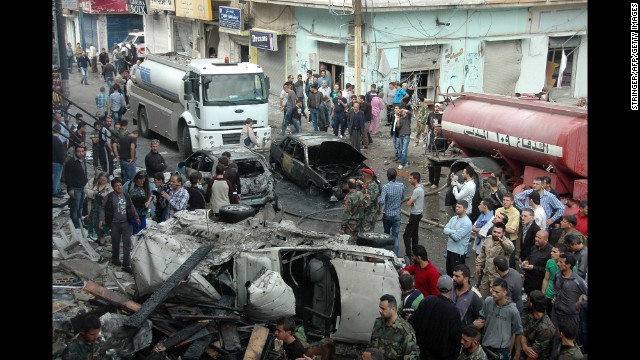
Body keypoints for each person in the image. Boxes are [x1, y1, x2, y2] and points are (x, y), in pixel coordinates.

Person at [409, 275, 462, 360]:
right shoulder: (453, 311)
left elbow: (413, 320)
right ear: (451, 289)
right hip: (442, 355)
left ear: (437, 286)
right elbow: (456, 336)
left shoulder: (428, 300)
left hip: (423, 352)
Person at [473, 278, 523, 360]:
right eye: (492, 290)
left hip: (501, 352)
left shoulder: (513, 311)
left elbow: (518, 332)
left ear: (505, 293)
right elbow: (481, 319)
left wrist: (517, 354)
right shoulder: (488, 302)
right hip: (485, 347)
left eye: (497, 292)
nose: (493, 294)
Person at [99, 177, 140, 273]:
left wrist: (136, 217)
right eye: (116, 186)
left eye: (120, 185)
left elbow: (132, 206)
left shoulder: (126, 195)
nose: (119, 187)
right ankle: (115, 259)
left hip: (126, 223)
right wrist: (101, 219)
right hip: (114, 224)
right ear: (113, 187)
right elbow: (102, 207)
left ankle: (126, 264)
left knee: (127, 244)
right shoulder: (109, 197)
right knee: (115, 242)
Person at [550, 253, 587, 358]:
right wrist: (555, 296)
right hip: (556, 313)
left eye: (561, 262)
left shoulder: (578, 281)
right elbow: (554, 285)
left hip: (570, 317)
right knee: (555, 338)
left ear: (568, 265)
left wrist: (581, 301)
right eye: (558, 261)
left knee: (570, 341)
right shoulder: (557, 275)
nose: (558, 264)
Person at [368, 294, 420, 360]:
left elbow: (411, 357)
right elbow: (371, 347)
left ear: (393, 309)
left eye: (383, 308)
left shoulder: (406, 331)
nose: (380, 311)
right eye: (380, 308)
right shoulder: (378, 323)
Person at [475, 222, 514, 298]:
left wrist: (503, 244)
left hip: (497, 278)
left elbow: (510, 249)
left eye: (499, 233)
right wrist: (478, 265)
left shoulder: (507, 243)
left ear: (503, 233)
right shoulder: (488, 239)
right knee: (483, 297)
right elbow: (482, 254)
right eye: (494, 231)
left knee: (495, 299)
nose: (496, 234)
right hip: (486, 275)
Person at [516, 290, 555, 360]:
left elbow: (533, 355)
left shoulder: (545, 329)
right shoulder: (532, 316)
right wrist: (525, 347)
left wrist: (524, 347)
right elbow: (523, 334)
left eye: (529, 299)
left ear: (531, 304)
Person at [379, 168, 405, 256]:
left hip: (387, 214)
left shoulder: (385, 187)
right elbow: (402, 197)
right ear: (396, 176)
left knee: (386, 235)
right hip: (397, 214)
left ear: (387, 176)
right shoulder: (401, 185)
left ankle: (386, 254)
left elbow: (382, 201)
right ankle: (395, 256)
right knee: (395, 237)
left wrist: (381, 207)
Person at [443, 200, 473, 276]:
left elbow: (456, 237)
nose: (457, 208)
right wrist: (454, 231)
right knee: (449, 272)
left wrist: (449, 231)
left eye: (459, 207)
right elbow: (444, 229)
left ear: (465, 209)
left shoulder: (467, 222)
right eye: (456, 206)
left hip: (458, 253)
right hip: (450, 250)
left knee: (457, 275)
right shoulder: (454, 218)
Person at [84, 171, 113, 245]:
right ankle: (95, 237)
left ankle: (102, 239)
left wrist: (103, 196)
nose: (102, 181)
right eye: (101, 179)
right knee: (93, 222)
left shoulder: (109, 186)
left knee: (102, 223)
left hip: (103, 208)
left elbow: (111, 196)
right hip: (93, 207)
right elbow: (86, 189)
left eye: (104, 180)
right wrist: (93, 193)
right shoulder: (93, 182)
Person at [64, 146, 89, 229]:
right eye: (79, 151)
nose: (81, 153)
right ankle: (76, 225)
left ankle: (79, 223)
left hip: (83, 187)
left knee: (80, 207)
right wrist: (70, 189)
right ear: (75, 152)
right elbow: (68, 177)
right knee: (75, 208)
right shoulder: (70, 162)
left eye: (82, 151)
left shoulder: (83, 161)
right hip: (75, 188)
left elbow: (84, 173)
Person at [521, 230, 552, 296]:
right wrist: (526, 261)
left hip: (539, 283)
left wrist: (534, 268)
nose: (536, 239)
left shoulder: (551, 252)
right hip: (528, 280)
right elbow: (529, 256)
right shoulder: (534, 247)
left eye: (539, 238)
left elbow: (548, 271)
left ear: (546, 240)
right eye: (536, 237)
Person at [495, 193, 520, 269]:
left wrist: (500, 226)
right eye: (504, 200)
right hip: (498, 238)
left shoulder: (516, 212)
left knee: (510, 262)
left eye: (507, 200)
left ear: (512, 202)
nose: (505, 202)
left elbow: (512, 230)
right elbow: (495, 224)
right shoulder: (498, 210)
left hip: (510, 240)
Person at [403, 172, 424, 255]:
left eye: (411, 178)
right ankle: (416, 252)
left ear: (416, 179)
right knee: (415, 234)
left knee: (406, 235)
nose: (409, 180)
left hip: (415, 215)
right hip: (418, 214)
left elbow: (408, 203)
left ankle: (409, 254)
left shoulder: (417, 190)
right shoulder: (420, 188)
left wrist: (409, 202)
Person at [340, 179, 365, 244]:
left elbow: (346, 213)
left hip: (351, 224)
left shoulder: (349, 197)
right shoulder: (361, 193)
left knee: (349, 241)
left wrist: (342, 227)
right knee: (358, 240)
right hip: (360, 222)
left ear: (348, 186)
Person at [425, 124, 448, 189]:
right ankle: (430, 181)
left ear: (440, 130)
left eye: (437, 130)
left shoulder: (443, 137)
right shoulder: (432, 135)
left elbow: (445, 147)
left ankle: (435, 183)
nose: (435, 131)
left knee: (437, 169)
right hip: (431, 153)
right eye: (435, 129)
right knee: (430, 167)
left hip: (438, 155)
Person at [53, 125, 66, 198]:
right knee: (57, 177)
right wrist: (62, 161)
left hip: (53, 160)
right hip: (57, 162)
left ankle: (57, 189)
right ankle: (55, 191)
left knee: (55, 176)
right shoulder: (58, 141)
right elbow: (60, 153)